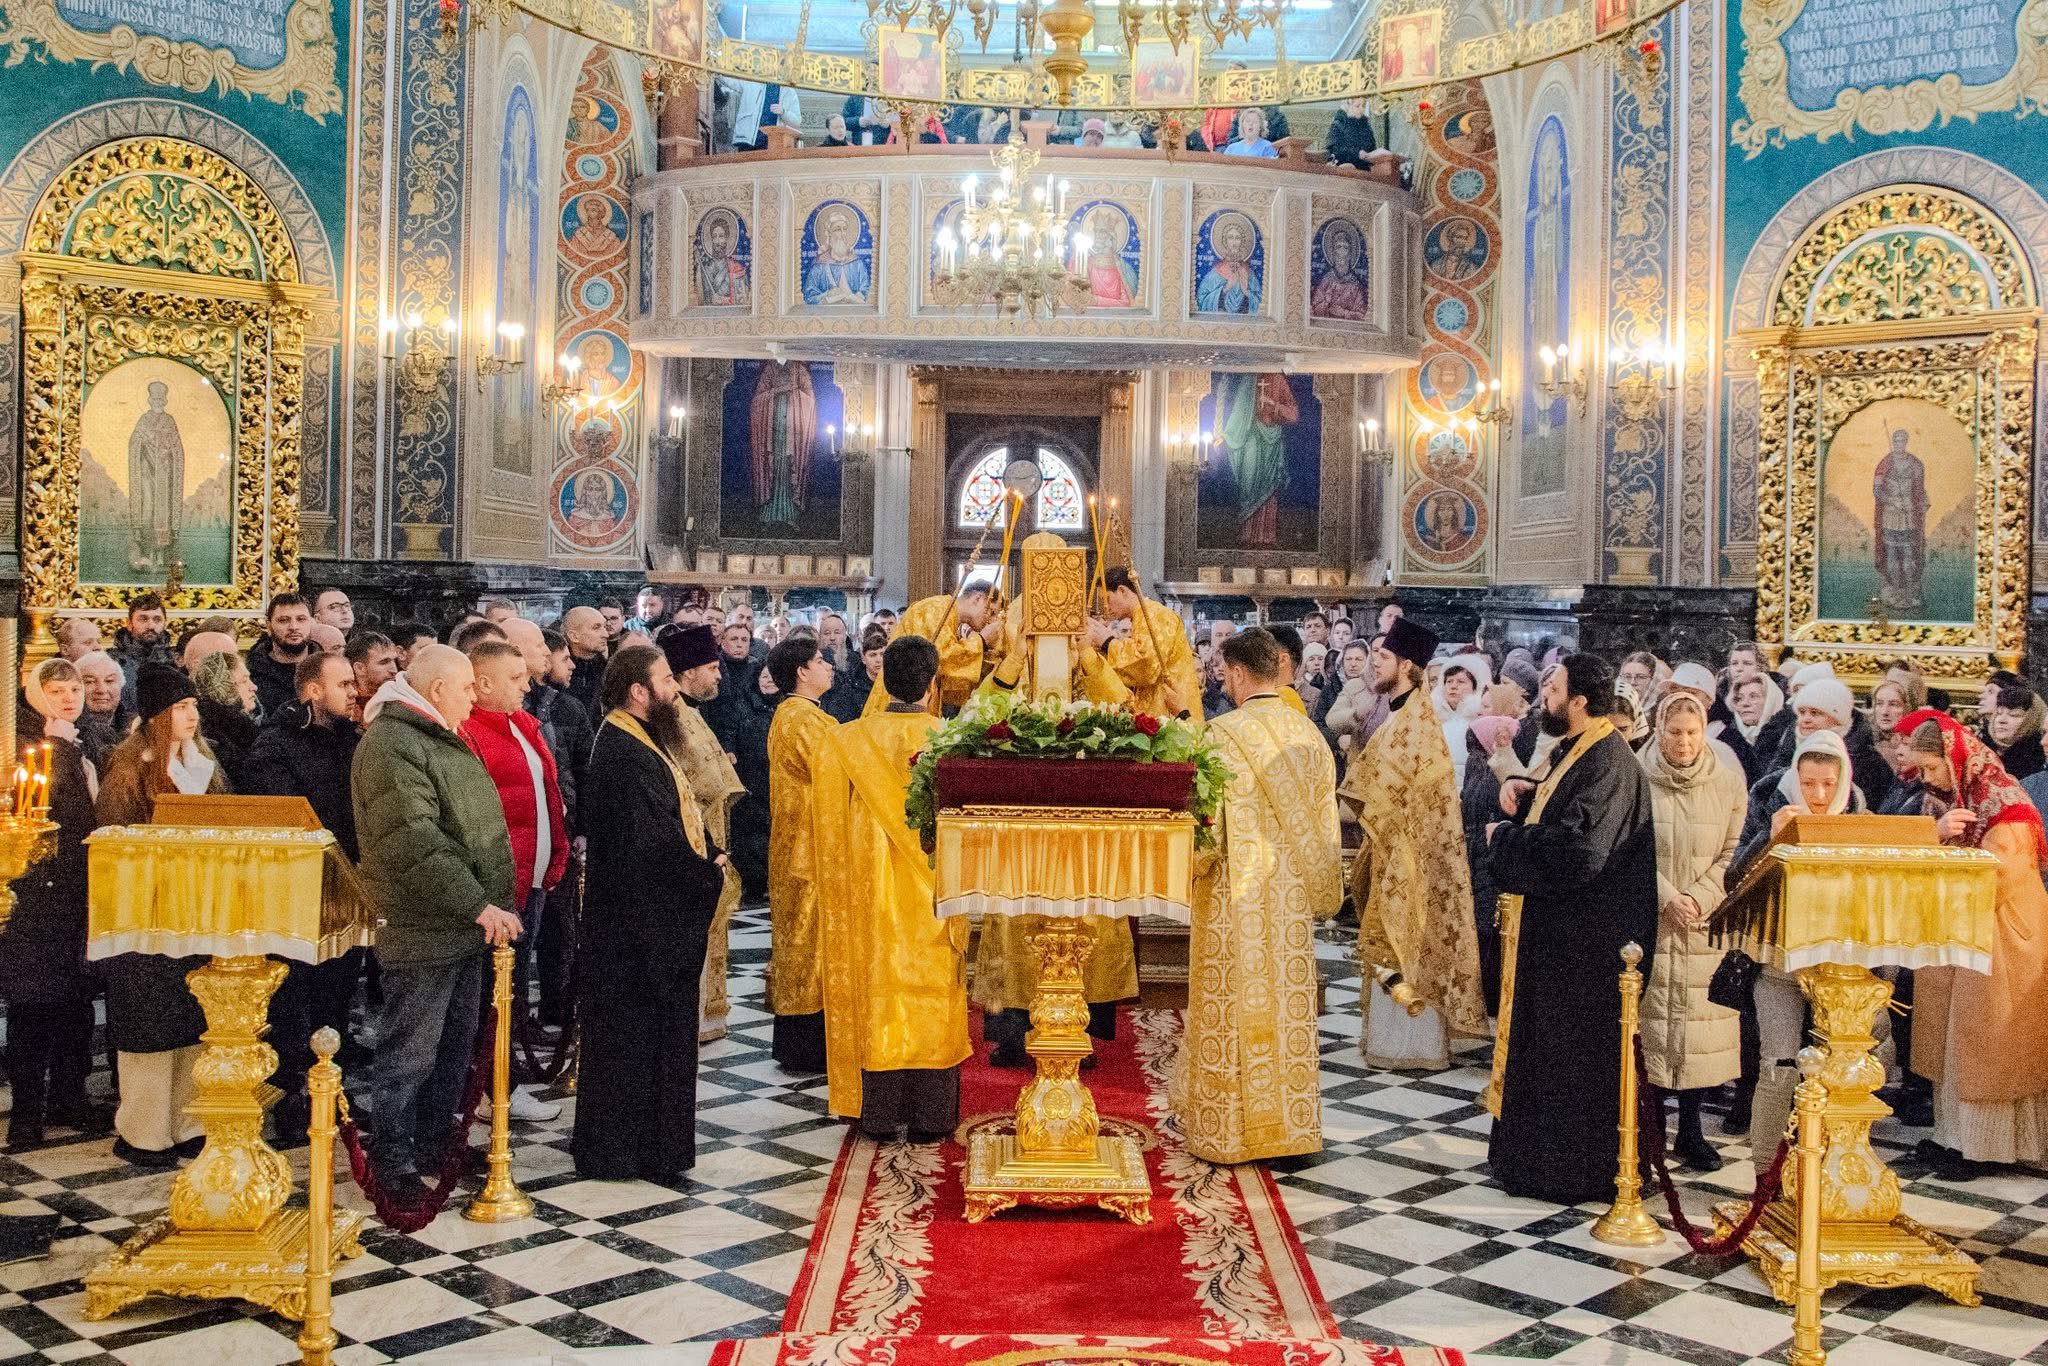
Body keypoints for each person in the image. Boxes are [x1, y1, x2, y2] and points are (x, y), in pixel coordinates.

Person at [1483, 653, 1659, 1203]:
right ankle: (1532, 1163)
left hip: (1584, 948)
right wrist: (1526, 794)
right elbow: (1563, 815)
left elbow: (1580, 852)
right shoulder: (1581, 750)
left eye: (1554, 690)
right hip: (1560, 940)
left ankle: (1565, 1173)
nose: (1545, 698)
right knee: (1547, 1052)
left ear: (1579, 701)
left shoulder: (1608, 762)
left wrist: (1503, 839)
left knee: (1570, 1060)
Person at [353, 645, 519, 1199]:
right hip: (422, 925)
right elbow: (413, 840)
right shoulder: (392, 743)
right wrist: (477, 903)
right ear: (438, 689)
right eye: (468, 687)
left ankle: (432, 1142)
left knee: (453, 1045)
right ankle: (392, 1158)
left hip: (462, 926)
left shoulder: (438, 734)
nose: (475, 697)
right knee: (411, 1050)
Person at [1177, 629, 1342, 1163]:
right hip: (1289, 902)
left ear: (1238, 673)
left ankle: (1231, 1133)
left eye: (1224, 674)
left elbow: (1206, 836)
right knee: (1286, 1009)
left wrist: (1185, 872)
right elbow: (1327, 831)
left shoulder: (1221, 735)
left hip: (1235, 898)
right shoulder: (1310, 735)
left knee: (1234, 1011)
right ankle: (1292, 1132)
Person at [572, 645, 727, 1181]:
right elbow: (652, 844)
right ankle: (628, 1151)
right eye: (665, 679)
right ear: (639, 692)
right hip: (636, 931)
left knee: (646, 1037)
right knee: (635, 1039)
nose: (675, 688)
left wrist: (708, 851)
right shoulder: (622, 751)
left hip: (641, 923)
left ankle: (648, 1147)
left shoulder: (640, 738)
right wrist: (705, 870)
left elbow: (676, 812)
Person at [814, 636, 971, 1139]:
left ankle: (877, 1114)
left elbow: (827, 830)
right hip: (933, 890)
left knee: (878, 991)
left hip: (868, 894)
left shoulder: (844, 740)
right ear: (932, 684)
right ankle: (931, 1116)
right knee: (932, 991)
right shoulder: (952, 741)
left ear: (883, 679)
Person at [1894, 710, 2048, 1179]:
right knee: (1954, 1047)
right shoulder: (1946, 801)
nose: (1927, 778)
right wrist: (1937, 839)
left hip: (2003, 940)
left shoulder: (2005, 801)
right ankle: (1953, 1137)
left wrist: (1943, 851)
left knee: (1985, 1050)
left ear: (1955, 759)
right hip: (1962, 936)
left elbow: (1998, 877)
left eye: (1932, 768)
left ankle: (1985, 1147)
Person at [1339, 617, 1487, 1071]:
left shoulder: (1418, 725)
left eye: (1383, 657)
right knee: (1389, 945)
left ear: (1406, 665)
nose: (1374, 665)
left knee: (1408, 943)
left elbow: (1409, 801)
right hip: (1390, 853)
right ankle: (1390, 1040)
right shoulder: (1399, 716)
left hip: (1413, 859)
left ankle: (1412, 1046)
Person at [96, 663, 226, 1167]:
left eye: (193, 706)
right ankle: (145, 1131)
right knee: (150, 1022)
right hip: (145, 912)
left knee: (191, 1017)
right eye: (180, 707)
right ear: (156, 715)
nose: (191, 716)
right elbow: (114, 837)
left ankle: (188, 1123)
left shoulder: (204, 763)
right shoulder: (129, 767)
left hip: (197, 907)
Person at [242, 652, 363, 1145]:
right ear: (313, 691)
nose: (354, 691)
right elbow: (283, 817)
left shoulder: (352, 740)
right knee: (295, 998)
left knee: (337, 992)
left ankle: (331, 1091)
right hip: (297, 890)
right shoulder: (275, 745)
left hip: (346, 887)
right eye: (344, 684)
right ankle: (293, 1099)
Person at [1727, 727, 1864, 1149]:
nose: (1818, 795)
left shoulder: (1857, 814)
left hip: (1837, 965)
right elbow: (1734, 880)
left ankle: (1827, 1162)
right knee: (1778, 1067)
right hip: (1779, 961)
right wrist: (1771, 840)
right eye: (1808, 784)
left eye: (1828, 784)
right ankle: (1765, 1168)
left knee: (1835, 1068)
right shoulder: (1772, 803)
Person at [458, 639, 569, 1123]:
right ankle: (489, 1088)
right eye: (515, 678)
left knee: (516, 986)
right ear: (482, 683)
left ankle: (503, 1079)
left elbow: (546, 795)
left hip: (534, 879)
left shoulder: (522, 724)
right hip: (501, 885)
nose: (527, 685)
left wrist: (556, 855)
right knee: (494, 992)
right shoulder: (470, 733)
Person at [1638, 693, 1746, 1173]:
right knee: (1653, 1027)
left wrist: (1700, 897)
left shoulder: (1727, 781)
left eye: (1692, 732)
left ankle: (1692, 1130)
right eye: (1674, 732)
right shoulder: (1637, 778)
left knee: (1699, 1032)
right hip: (1653, 919)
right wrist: (1668, 897)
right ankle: (1650, 1128)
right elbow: (1629, 846)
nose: (1683, 742)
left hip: (1704, 922)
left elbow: (1734, 850)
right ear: (1659, 730)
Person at [3, 660, 108, 1148]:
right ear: (35, 694)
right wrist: (59, 749)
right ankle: (27, 1111)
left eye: (75, 689)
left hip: (78, 891)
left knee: (75, 1002)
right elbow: (33, 812)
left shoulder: (85, 739)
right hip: (35, 893)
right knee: (33, 1004)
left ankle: (70, 1095)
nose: (70, 698)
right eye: (57, 690)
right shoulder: (27, 744)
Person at [657, 625, 747, 1043]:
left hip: (712, 836)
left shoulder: (690, 713)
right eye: (712, 668)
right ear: (688, 672)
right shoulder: (672, 716)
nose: (719, 676)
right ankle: (689, 1020)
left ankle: (707, 1015)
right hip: (693, 843)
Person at [764, 637, 839, 1070]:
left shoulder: (796, 714)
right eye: (820, 661)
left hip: (801, 844)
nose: (828, 666)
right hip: (808, 849)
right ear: (801, 672)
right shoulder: (802, 719)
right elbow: (838, 771)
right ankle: (807, 1045)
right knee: (809, 943)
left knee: (804, 940)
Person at [863, 582, 1003, 716]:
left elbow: (952, 686)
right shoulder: (934, 608)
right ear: (978, 599)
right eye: (991, 612)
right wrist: (981, 640)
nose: (991, 620)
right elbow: (940, 658)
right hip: (897, 706)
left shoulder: (951, 619)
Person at [1089, 567, 1203, 720]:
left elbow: (1147, 665)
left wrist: (1108, 642)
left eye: (1108, 599)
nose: (1107, 608)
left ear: (1122, 591)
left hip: (1171, 713)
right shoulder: (1141, 616)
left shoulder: (1154, 614)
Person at [191, 649, 260, 788]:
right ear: (223, 686)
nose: (254, 687)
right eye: (244, 681)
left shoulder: (245, 728)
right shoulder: (213, 739)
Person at [246, 593, 316, 716]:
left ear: (311, 623)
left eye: (301, 619)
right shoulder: (250, 675)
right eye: (284, 620)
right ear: (269, 626)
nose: (293, 627)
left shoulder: (328, 669)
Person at [1988, 683, 2046, 780]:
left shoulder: (2038, 760)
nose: (2001, 720)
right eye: (1998, 713)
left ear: (2032, 720)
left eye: (2014, 715)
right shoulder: (1981, 750)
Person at [560, 606, 609, 718]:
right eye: (596, 628)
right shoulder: (555, 674)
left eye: (604, 627)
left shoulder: (610, 672)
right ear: (574, 636)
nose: (606, 634)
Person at [1326, 96, 1378, 169]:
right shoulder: (1338, 124)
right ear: (1347, 107)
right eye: (1357, 106)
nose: (1361, 109)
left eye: (1363, 106)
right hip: (1342, 167)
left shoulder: (1366, 125)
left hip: (1364, 168)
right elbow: (1334, 149)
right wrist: (1357, 153)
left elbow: (1372, 147)